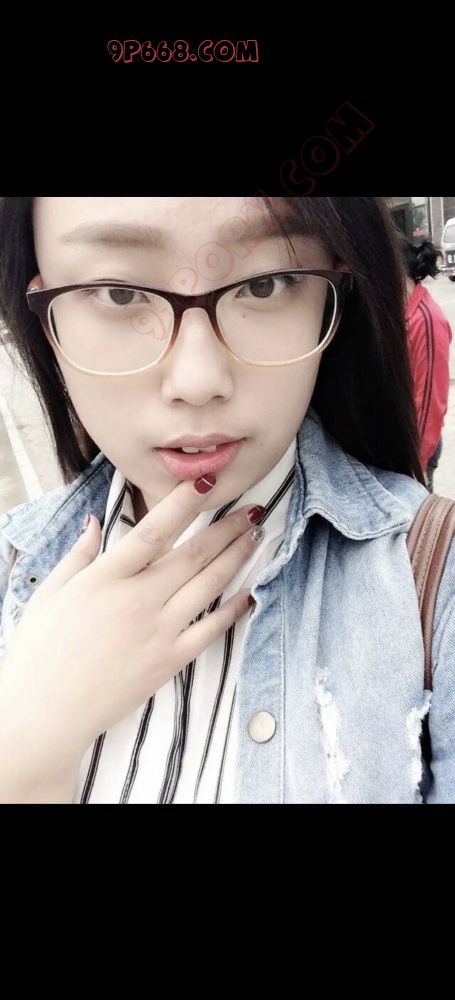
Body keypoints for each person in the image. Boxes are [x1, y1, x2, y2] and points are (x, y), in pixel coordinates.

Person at [0, 196, 454, 806]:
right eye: (118, 293)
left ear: (332, 299)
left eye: (265, 284)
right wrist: (23, 751)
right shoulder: (12, 567)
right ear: (42, 316)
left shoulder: (433, 589)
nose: (198, 381)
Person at [398, 233, 452, 492]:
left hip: (417, 448)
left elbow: (430, 403)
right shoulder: (399, 311)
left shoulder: (426, 319)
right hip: (399, 440)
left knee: (415, 514)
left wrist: (415, 465)